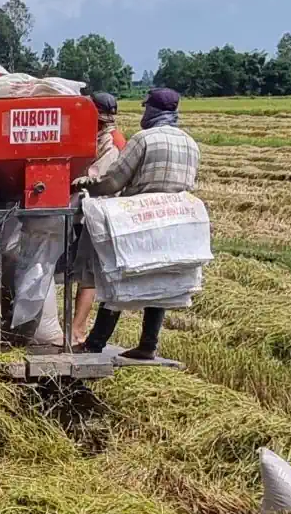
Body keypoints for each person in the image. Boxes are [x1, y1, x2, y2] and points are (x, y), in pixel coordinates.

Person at [76, 87, 201, 361]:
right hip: (175, 219)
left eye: (146, 109)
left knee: (121, 271)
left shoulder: (143, 140)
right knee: (161, 277)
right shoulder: (190, 142)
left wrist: (87, 186)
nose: (144, 113)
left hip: (141, 218)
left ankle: (95, 342)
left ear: (153, 111)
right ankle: (148, 344)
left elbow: (115, 180)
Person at [70, 92, 127, 344]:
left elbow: (98, 181)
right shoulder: (99, 137)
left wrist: (73, 181)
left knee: (88, 273)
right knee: (83, 272)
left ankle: (78, 330)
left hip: (99, 215)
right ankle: (77, 329)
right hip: (88, 212)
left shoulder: (112, 143)